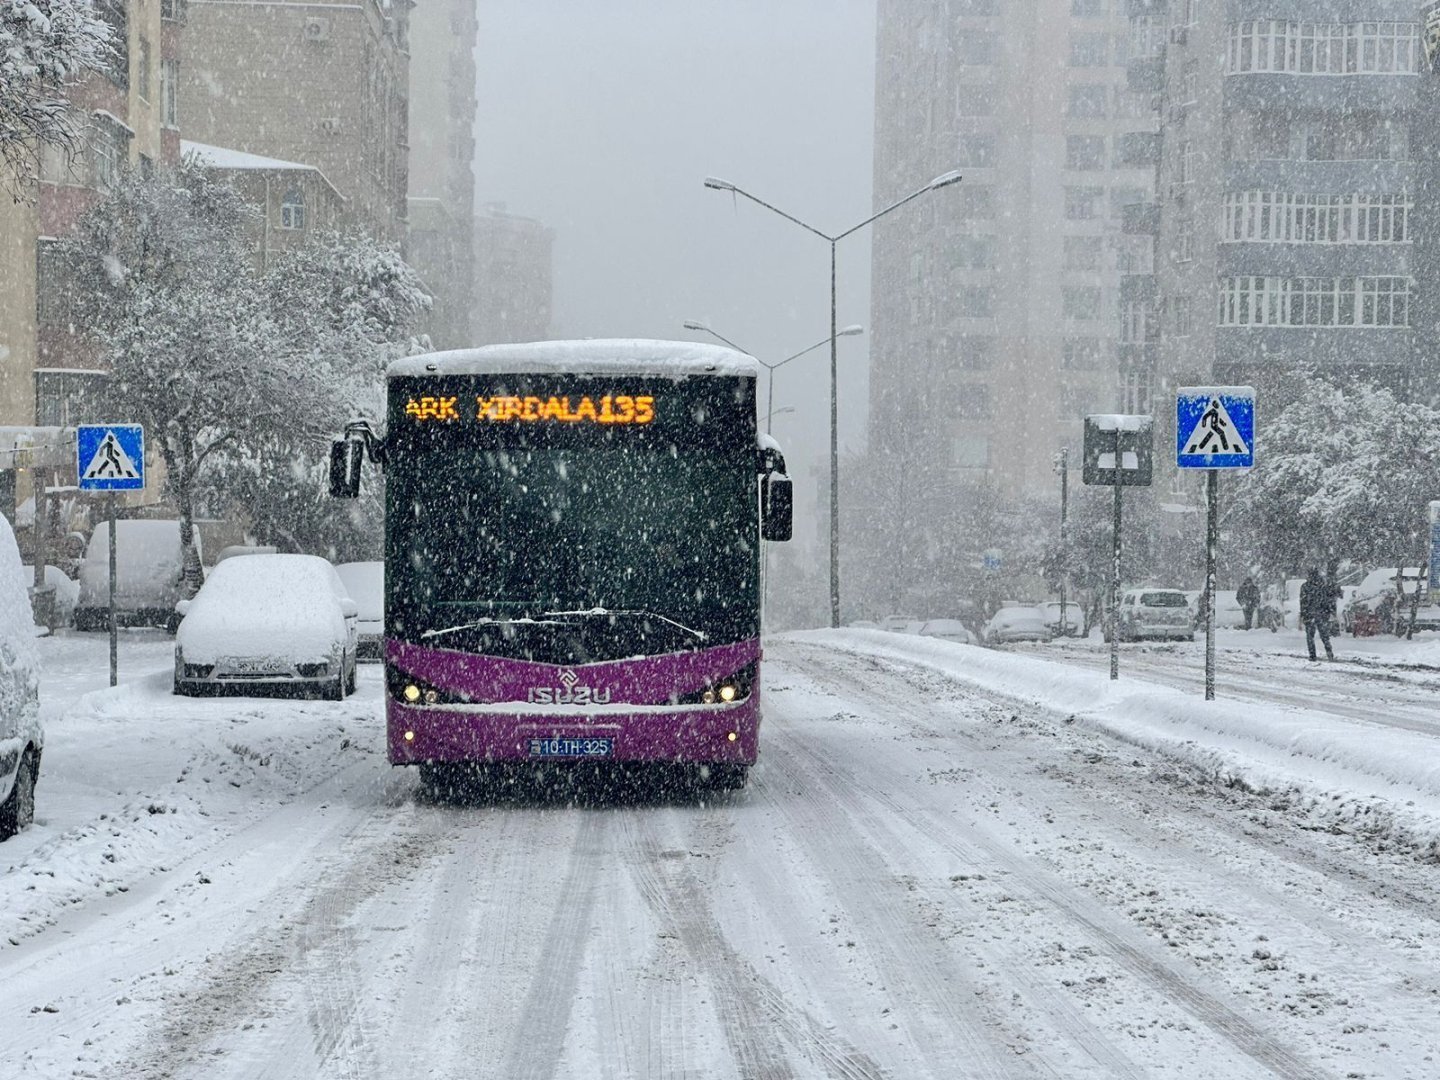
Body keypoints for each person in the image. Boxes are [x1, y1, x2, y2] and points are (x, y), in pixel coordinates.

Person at [1299, 566, 1335, 661]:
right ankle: (1329, 652)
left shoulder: (1305, 586)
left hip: (1310, 614)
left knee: (1310, 636)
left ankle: (1312, 655)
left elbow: (1303, 602)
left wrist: (1304, 614)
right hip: (1322, 614)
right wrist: (1329, 611)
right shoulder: (1323, 586)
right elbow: (1328, 600)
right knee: (1324, 636)